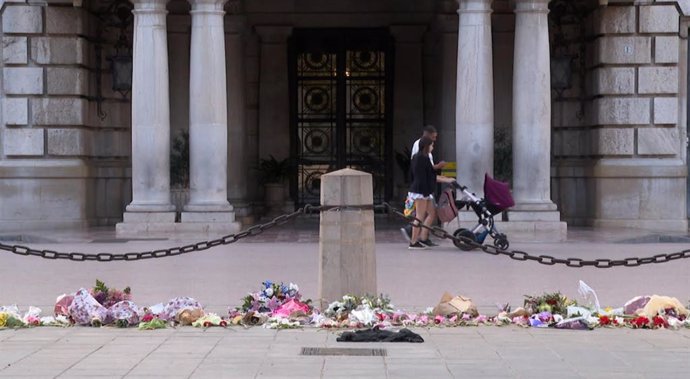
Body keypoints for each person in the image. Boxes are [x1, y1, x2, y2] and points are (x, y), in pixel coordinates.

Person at [401, 125, 449, 246]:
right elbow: (428, 174)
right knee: (419, 216)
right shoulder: (422, 158)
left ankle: (423, 238)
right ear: (427, 146)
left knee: (432, 213)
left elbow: (428, 172)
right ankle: (413, 241)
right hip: (421, 191)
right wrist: (441, 176)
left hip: (423, 190)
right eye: (432, 144)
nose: (433, 146)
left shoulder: (421, 158)